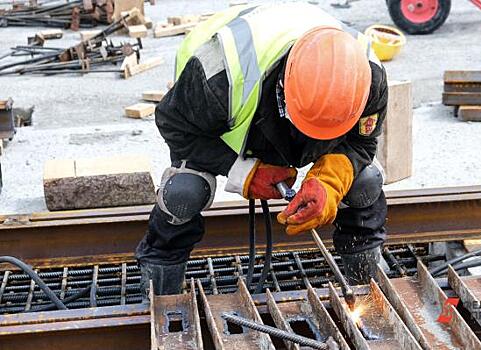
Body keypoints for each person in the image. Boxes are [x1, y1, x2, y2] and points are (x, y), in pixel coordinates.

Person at [135, 2, 388, 296]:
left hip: (292, 78)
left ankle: (368, 289)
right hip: (213, 120)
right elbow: (174, 123)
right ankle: (161, 288)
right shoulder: (221, 75)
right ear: (284, 88)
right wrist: (244, 172)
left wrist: (329, 183)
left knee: (364, 182)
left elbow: (362, 142)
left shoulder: (368, 78)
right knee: (184, 192)